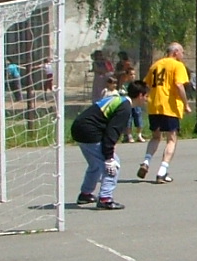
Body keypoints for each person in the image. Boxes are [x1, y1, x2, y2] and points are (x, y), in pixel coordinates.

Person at [71, 80, 148, 210]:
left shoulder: (120, 100)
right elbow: (112, 132)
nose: (147, 99)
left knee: (95, 164)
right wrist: (109, 158)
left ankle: (85, 194)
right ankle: (105, 199)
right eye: (146, 96)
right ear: (140, 95)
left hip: (79, 128)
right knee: (113, 165)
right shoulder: (125, 108)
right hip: (89, 131)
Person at [137, 42, 190, 184]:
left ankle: (146, 161)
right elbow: (179, 85)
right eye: (182, 52)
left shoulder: (156, 65)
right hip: (169, 106)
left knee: (155, 137)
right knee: (171, 139)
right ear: (176, 52)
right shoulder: (177, 65)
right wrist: (185, 104)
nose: (183, 55)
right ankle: (162, 171)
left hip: (154, 105)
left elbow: (146, 84)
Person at [114, 52, 141, 142]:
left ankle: (139, 134)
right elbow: (121, 87)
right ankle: (128, 135)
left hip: (135, 101)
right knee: (128, 118)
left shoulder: (135, 83)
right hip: (127, 100)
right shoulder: (121, 69)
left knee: (138, 115)